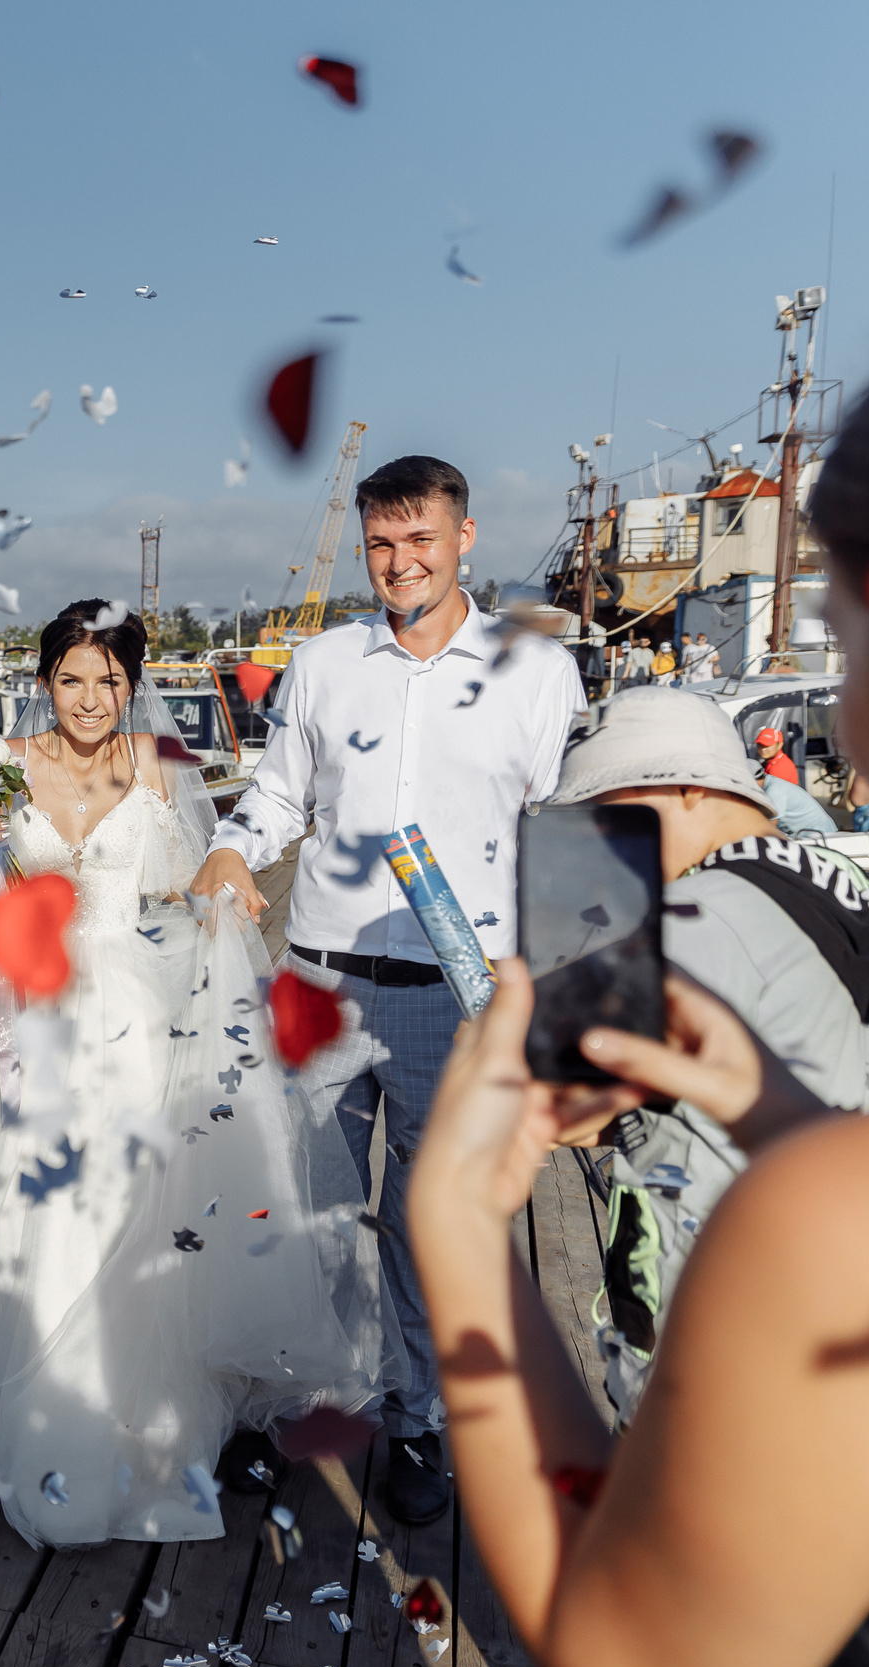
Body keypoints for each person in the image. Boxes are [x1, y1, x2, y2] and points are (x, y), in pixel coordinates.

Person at [407, 242, 869, 1667]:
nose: (840, 729)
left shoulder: (858, 1235)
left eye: (855, 656)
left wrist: (460, 1232)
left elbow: (634, 1655)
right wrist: (785, 1112)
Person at [0, 600, 396, 1548]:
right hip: (36, 1013)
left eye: (108, 680)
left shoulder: (159, 766)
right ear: (45, 681)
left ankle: (161, 1401)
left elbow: (194, 885)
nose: (91, 698)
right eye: (72, 679)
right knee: (54, 1208)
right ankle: (68, 1410)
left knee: (151, 1205)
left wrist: (224, 910)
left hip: (142, 1005)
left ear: (132, 685)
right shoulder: (5, 772)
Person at [189, 458, 586, 1524]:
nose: (399, 561)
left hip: (453, 994)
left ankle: (417, 1421)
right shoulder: (321, 663)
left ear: (466, 537)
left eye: (420, 539)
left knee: (425, 1222)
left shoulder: (536, 670)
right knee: (301, 1211)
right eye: (380, 543)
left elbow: (561, 839)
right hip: (317, 973)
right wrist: (233, 848)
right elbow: (276, 796)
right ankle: (291, 1409)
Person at [539, 687, 869, 1419]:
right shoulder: (840, 885)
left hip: (707, 1325)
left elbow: (560, 1105)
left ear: (686, 788)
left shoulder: (694, 917)